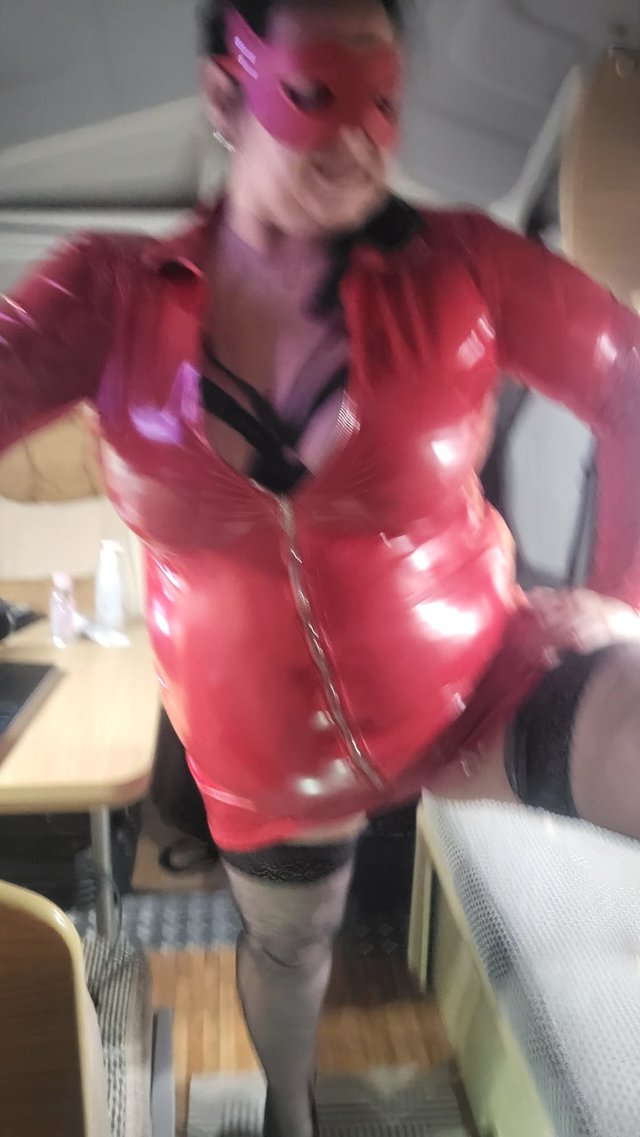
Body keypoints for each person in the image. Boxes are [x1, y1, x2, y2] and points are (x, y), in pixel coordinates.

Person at [3, 1, 640, 1131]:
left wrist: (618, 595)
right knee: (291, 953)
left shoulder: (464, 266)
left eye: (382, 103)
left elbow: (627, 377)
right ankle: (288, 1114)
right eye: (315, 96)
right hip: (265, 751)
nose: (358, 141)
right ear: (225, 95)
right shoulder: (109, 292)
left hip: (474, 686)